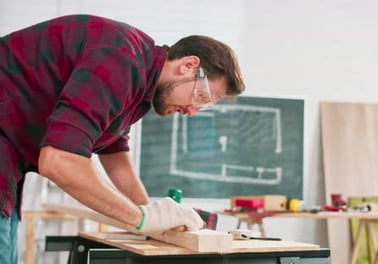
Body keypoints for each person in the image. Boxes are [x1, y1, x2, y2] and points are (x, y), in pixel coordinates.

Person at [0, 14, 245, 263]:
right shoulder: (122, 59)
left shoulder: (140, 82)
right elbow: (59, 160)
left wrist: (153, 213)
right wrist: (141, 219)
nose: (193, 111)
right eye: (201, 98)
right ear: (189, 65)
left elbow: (115, 153)